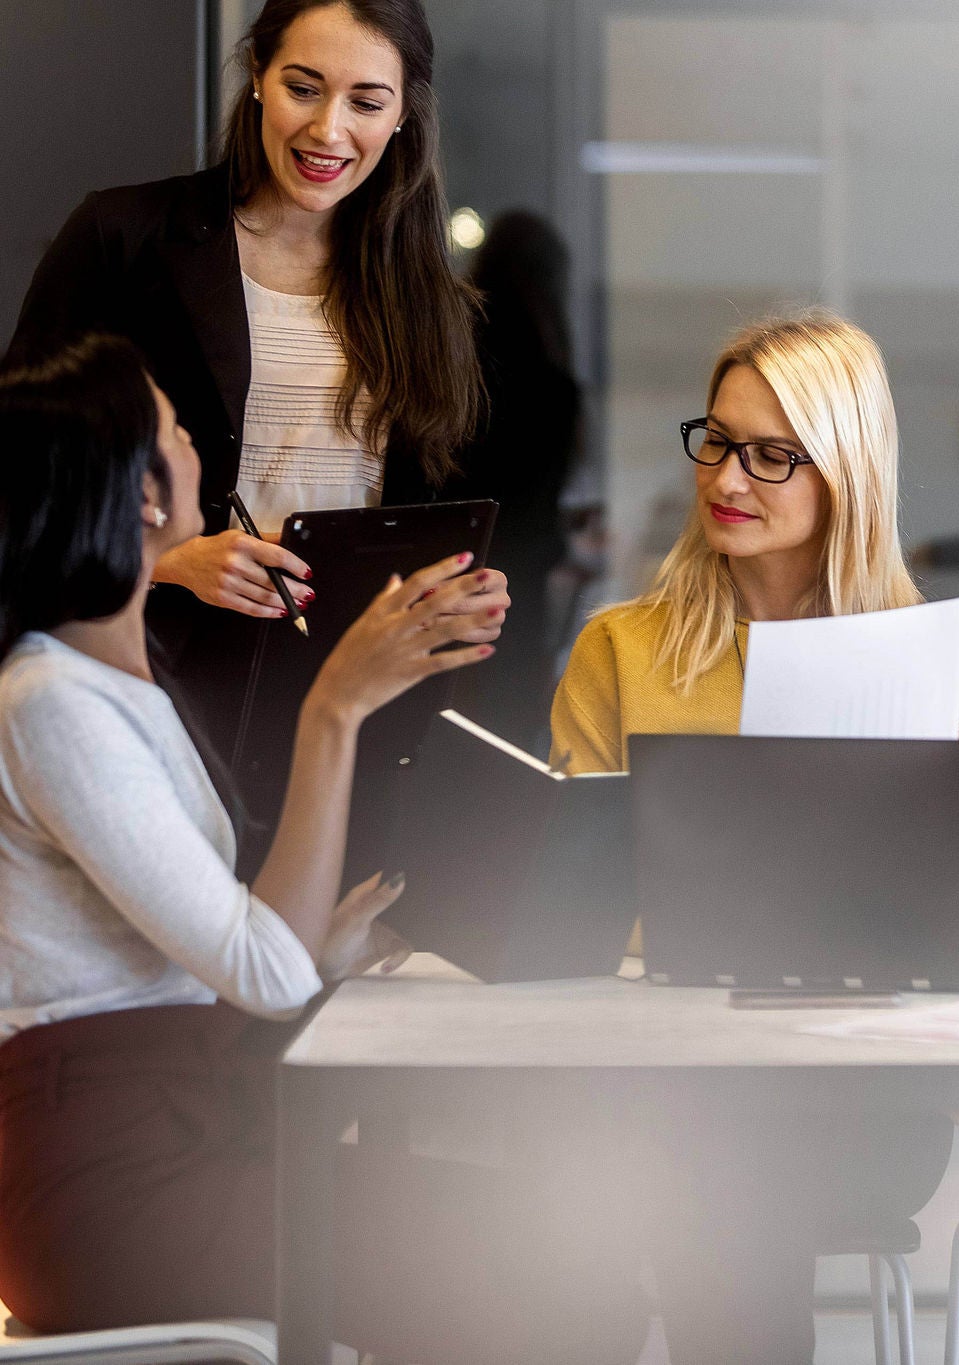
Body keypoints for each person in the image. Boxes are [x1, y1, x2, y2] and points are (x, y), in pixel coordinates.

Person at [0, 336, 644, 1361]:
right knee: (547, 1259)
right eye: (172, 427)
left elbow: (242, 963)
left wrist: (326, 947)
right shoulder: (49, 702)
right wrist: (337, 702)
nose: (194, 443)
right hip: (110, 1182)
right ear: (142, 496)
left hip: (189, 1130)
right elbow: (260, 967)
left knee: (572, 1245)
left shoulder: (118, 686)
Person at [550, 309, 959, 1362]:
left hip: (863, 1093)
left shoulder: (936, 670)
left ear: (843, 473)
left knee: (713, 1172)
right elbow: (573, 895)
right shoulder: (620, 652)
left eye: (771, 456)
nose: (726, 477)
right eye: (716, 440)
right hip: (662, 1072)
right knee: (675, 1161)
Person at [3, 0, 506, 866]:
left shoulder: (427, 294)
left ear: (404, 112)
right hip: (156, 676)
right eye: (302, 88)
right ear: (258, 79)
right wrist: (168, 558)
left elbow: (419, 502)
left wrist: (451, 587)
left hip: (341, 696)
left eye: (366, 101)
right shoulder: (124, 240)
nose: (328, 129)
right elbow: (18, 477)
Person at [448, 209, 582, 751]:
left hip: (457, 572)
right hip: (520, 585)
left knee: (454, 737)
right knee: (508, 741)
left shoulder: (458, 361)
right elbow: (534, 493)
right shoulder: (553, 374)